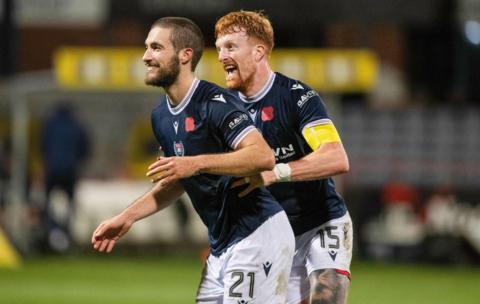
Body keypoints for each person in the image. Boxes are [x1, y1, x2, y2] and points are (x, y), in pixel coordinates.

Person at [91, 17, 295, 304]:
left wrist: (194, 163)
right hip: (222, 246)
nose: (146, 56)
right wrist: (126, 218)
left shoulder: (215, 103)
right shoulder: (160, 116)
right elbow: (179, 180)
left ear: (185, 55)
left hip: (258, 234)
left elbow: (262, 155)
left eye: (156, 48)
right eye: (147, 48)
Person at [214, 11, 353, 304]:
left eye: (230, 47)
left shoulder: (297, 97)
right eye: (219, 48)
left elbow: (336, 158)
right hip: (270, 236)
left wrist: (276, 171)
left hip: (321, 222)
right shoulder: (221, 109)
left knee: (326, 295)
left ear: (259, 50)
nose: (221, 56)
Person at [41, 103, 90, 251]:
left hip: (52, 171)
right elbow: (85, 147)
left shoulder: (50, 125)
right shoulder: (77, 126)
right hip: (70, 171)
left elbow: (42, 145)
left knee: (47, 203)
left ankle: (53, 230)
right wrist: (76, 161)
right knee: (70, 205)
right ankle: (65, 233)